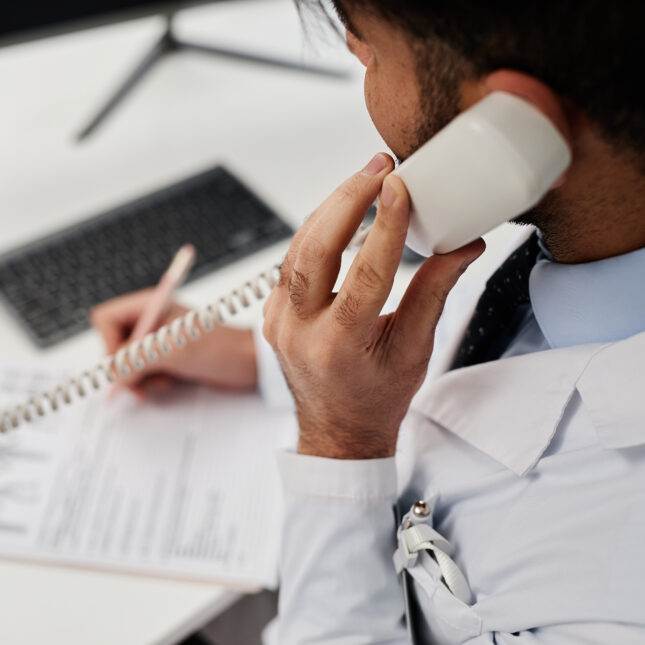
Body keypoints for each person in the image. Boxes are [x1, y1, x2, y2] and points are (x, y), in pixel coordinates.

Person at [91, 1, 645, 642]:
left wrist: (340, 445)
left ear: (518, 122)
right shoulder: (592, 237)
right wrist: (268, 363)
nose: (364, 75)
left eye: (370, 54)